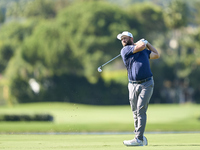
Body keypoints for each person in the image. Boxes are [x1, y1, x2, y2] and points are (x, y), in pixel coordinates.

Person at [117, 31, 160, 146]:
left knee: (141, 109)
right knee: (135, 111)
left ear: (131, 38)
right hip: (132, 85)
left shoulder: (144, 51)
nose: (123, 40)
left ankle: (139, 139)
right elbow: (140, 46)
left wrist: (148, 43)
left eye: (125, 38)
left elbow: (156, 54)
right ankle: (139, 136)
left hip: (147, 83)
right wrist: (143, 42)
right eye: (122, 39)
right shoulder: (125, 50)